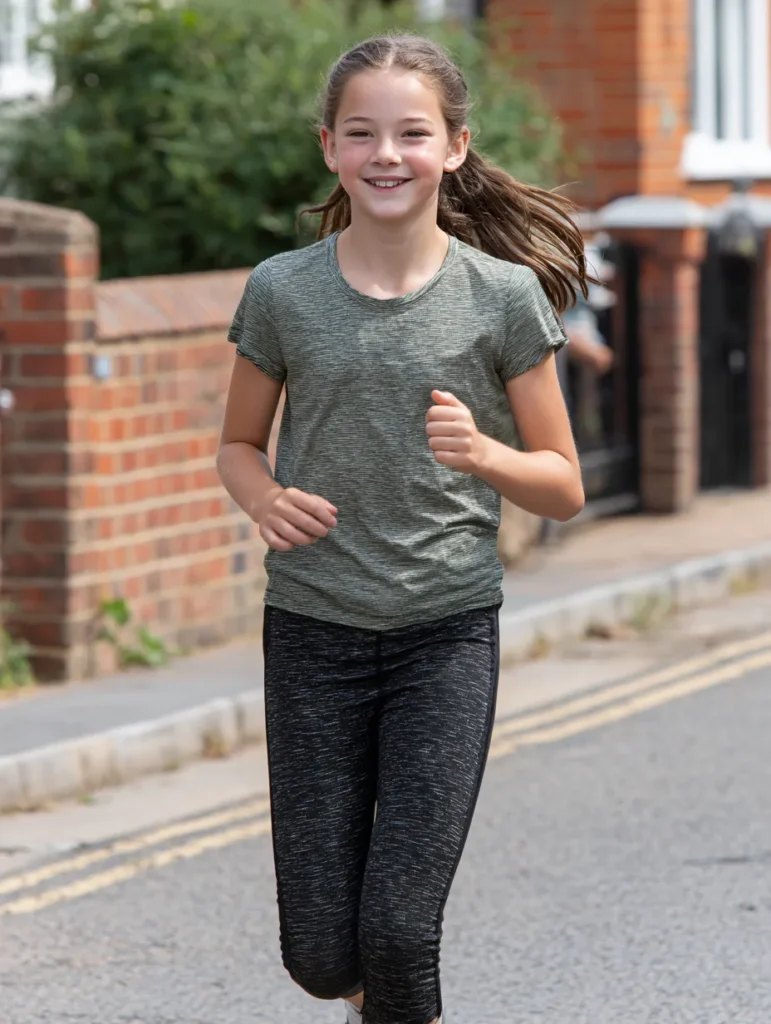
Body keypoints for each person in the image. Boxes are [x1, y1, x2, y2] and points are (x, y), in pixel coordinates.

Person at [217, 34, 587, 1024]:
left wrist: (485, 455)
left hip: (444, 635)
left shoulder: (500, 298)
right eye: (364, 133)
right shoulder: (283, 290)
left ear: (454, 147)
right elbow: (238, 445)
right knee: (319, 950)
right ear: (331, 147)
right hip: (313, 631)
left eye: (413, 133)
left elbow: (562, 485)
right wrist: (261, 499)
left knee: (399, 929)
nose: (389, 153)